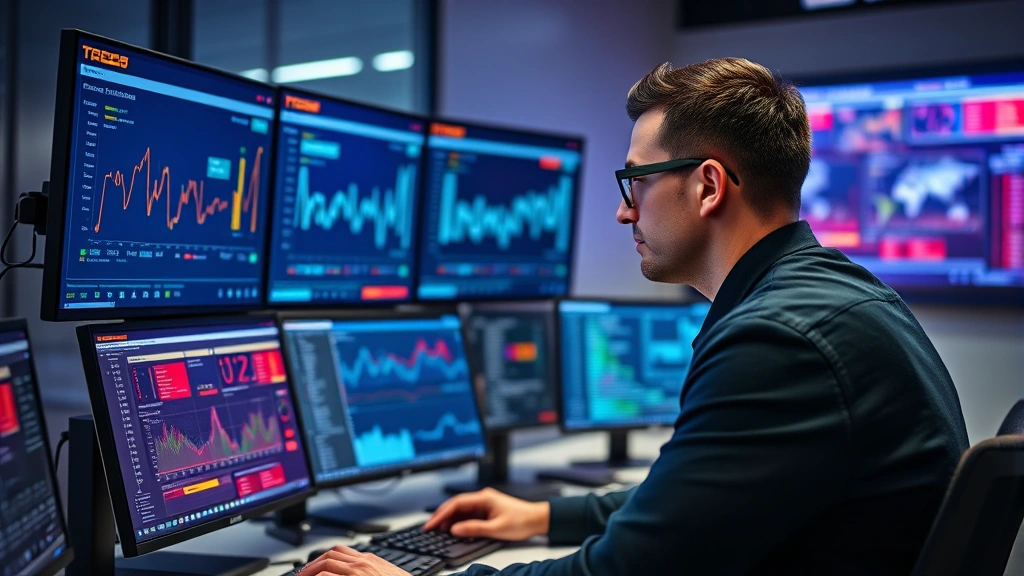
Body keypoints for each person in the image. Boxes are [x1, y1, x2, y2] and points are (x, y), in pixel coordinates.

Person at [296, 58, 969, 576]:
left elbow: (627, 572)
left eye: (636, 182)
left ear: (707, 185)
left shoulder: (779, 339)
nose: (625, 211)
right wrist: (540, 515)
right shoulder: (827, 297)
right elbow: (697, 503)